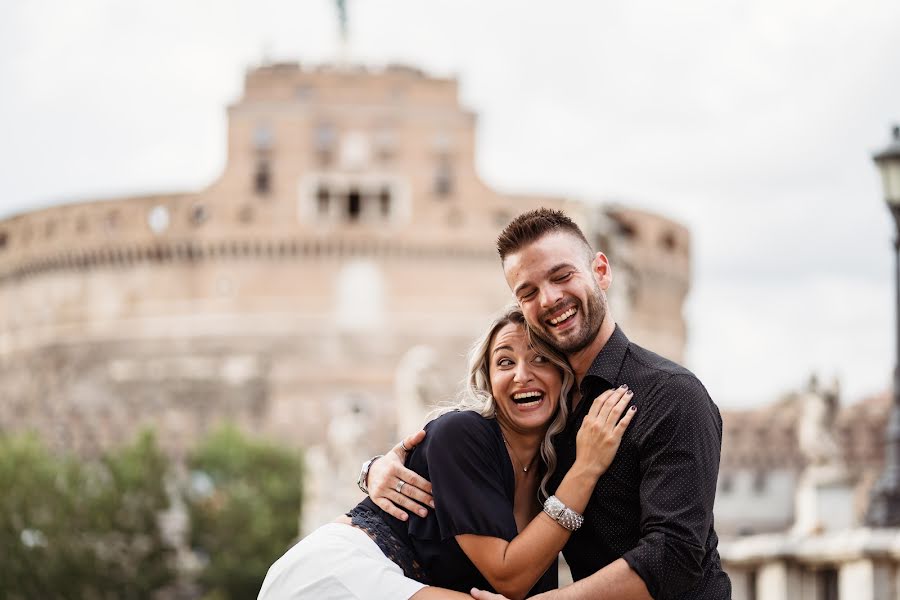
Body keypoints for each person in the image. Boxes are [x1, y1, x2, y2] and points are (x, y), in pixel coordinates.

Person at [366, 208, 732, 600]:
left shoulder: (670, 394)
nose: (550, 299)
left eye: (562, 276)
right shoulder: (546, 411)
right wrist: (374, 470)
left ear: (602, 272)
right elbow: (468, 455)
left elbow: (675, 556)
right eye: (528, 292)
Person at [258, 305, 636, 599]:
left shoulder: (547, 477)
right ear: (489, 381)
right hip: (336, 575)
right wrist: (587, 468)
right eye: (505, 361)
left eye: (541, 359)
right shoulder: (462, 433)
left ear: (565, 378)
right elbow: (511, 578)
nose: (522, 374)